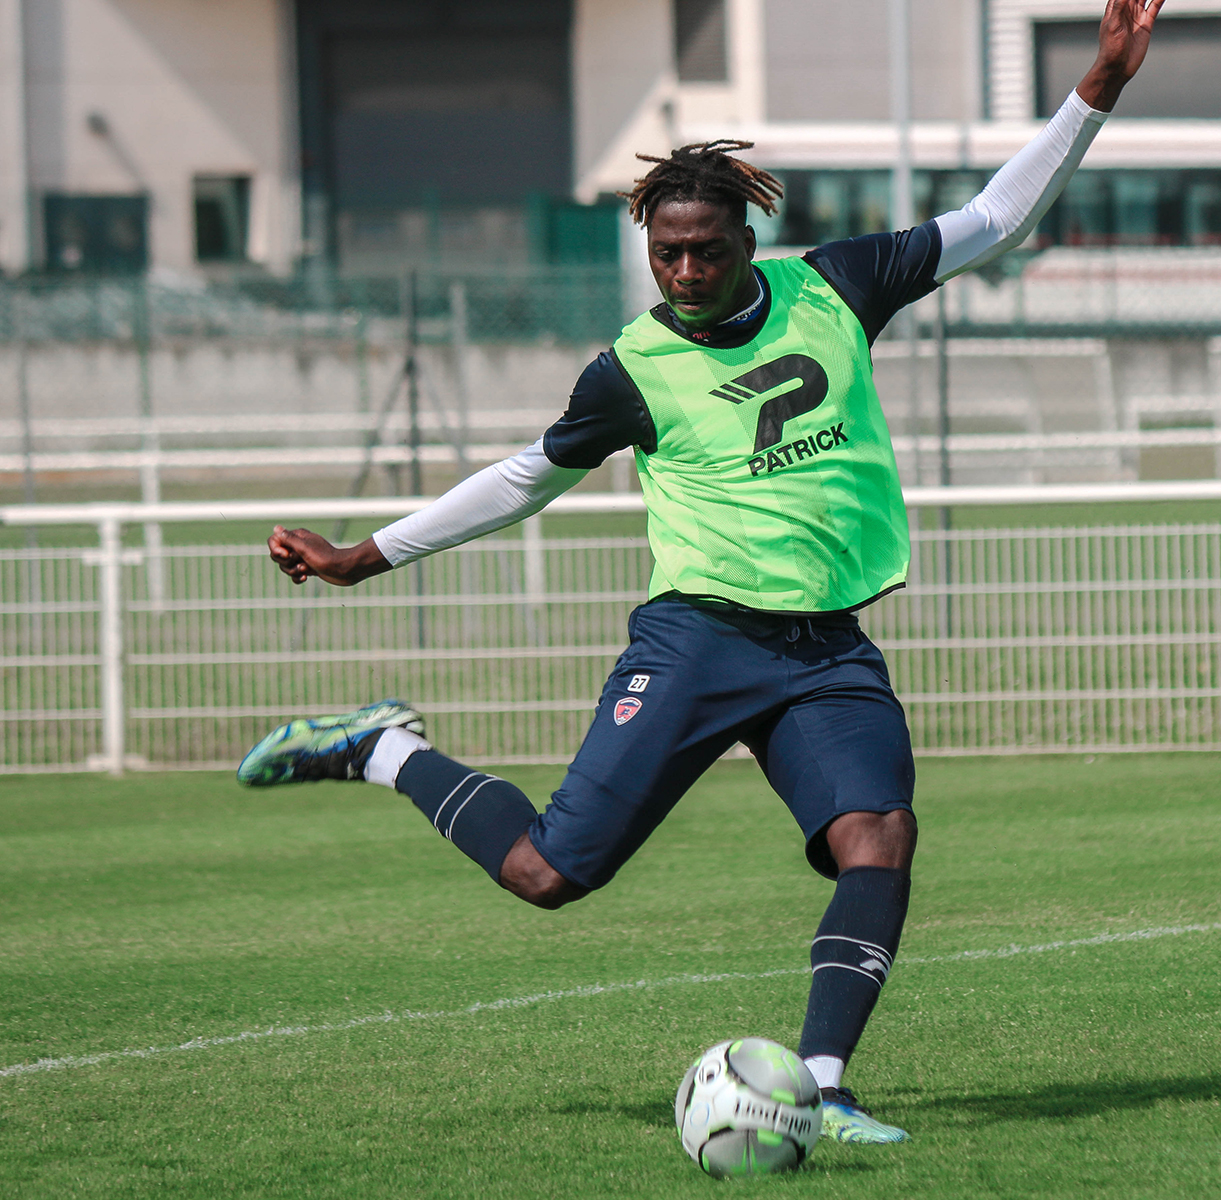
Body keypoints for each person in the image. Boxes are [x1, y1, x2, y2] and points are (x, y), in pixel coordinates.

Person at [238, 0, 1163, 1145]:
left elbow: (994, 218)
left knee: (878, 837)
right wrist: (363, 557)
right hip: (698, 641)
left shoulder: (837, 286)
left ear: (746, 239)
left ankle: (821, 1086)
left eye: (705, 250)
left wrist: (1098, 84)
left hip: (825, 649)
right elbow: (525, 478)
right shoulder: (630, 370)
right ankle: (379, 748)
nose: (683, 270)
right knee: (545, 876)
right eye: (664, 252)